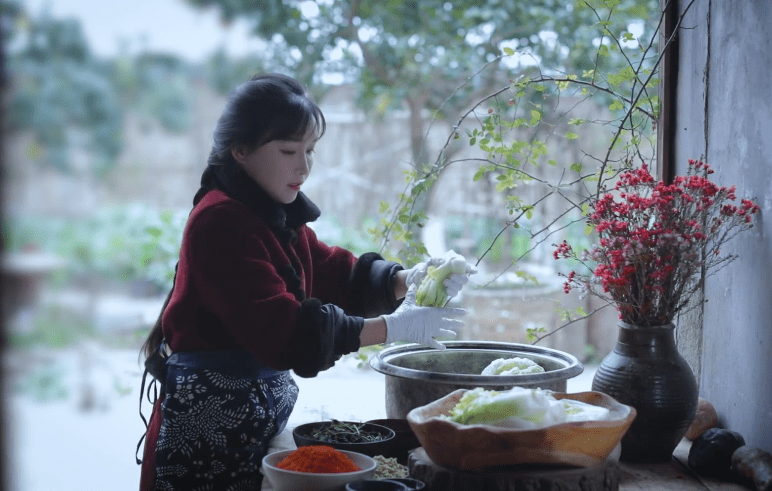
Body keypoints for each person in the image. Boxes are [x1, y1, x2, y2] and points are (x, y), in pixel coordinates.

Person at [136, 73, 474, 490]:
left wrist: (408, 279)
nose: (304, 166)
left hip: (247, 420)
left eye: (310, 150)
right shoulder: (220, 220)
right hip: (209, 431)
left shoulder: (269, 210)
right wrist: (394, 329)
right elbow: (283, 330)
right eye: (288, 150)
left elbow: (330, 270)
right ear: (240, 151)